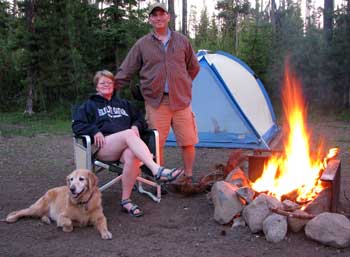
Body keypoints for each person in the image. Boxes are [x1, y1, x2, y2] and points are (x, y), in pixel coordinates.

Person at [72, 70, 183, 217]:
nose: (106, 85)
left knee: (132, 155)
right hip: (104, 146)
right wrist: (94, 131)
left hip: (127, 146)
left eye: (109, 82)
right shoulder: (89, 105)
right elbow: (77, 125)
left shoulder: (124, 104)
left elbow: (140, 120)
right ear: (97, 87)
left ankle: (126, 201)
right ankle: (156, 170)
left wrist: (136, 125)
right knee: (129, 134)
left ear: (114, 85)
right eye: (102, 83)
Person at [116, 2, 200, 184]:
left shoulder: (182, 41)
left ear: (168, 17)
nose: (158, 18)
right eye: (154, 15)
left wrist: (183, 84)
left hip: (181, 102)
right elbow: (127, 69)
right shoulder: (142, 44)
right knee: (155, 144)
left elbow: (194, 67)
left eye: (162, 14)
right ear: (150, 19)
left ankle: (188, 176)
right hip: (156, 102)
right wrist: (110, 88)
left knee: (188, 141)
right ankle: (158, 178)